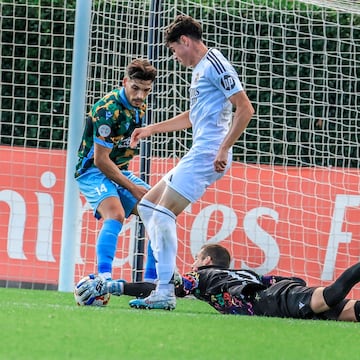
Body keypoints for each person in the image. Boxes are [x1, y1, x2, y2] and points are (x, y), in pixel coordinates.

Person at [128, 15, 255, 310]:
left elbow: (245, 107)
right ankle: (167, 279)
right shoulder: (200, 71)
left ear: (185, 41)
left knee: (162, 215)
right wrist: (150, 129)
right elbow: (191, 117)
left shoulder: (215, 63)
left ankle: (164, 291)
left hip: (209, 153)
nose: (175, 57)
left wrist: (224, 148)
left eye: (174, 50)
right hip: (200, 150)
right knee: (147, 206)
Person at [77, 244, 360, 322]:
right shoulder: (244, 273)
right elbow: (287, 280)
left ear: (207, 261)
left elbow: (162, 288)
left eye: (196, 258)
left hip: (266, 301)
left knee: (331, 296)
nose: (192, 264)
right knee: (351, 312)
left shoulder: (202, 277)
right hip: (274, 293)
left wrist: (117, 286)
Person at [74, 58, 157, 281]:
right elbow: (101, 160)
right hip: (92, 171)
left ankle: (150, 283)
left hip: (118, 170)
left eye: (146, 90)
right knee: (116, 213)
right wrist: (132, 187)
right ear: (125, 82)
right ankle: (104, 279)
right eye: (135, 88)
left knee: (160, 212)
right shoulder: (107, 110)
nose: (140, 95)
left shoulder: (140, 107)